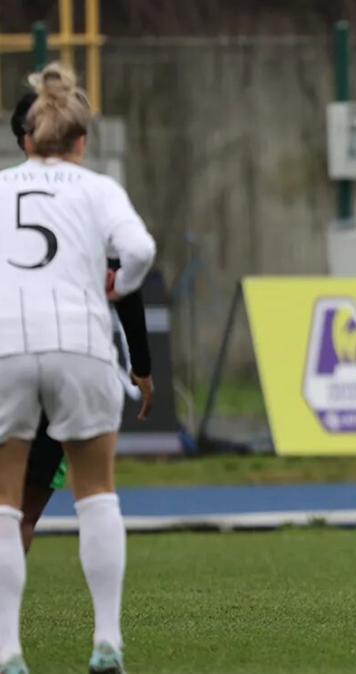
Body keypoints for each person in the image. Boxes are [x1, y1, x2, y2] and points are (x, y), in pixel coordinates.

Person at [0, 63, 156, 674]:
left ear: (29, 137)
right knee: (97, 494)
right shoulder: (98, 188)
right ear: (81, 139)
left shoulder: (2, 186)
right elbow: (139, 251)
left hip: (7, 345)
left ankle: (8, 650)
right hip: (81, 345)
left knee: (6, 504)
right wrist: (119, 288)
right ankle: (107, 642)